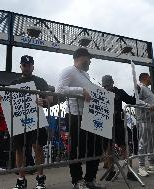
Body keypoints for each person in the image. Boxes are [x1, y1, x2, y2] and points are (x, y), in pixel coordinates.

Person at [56, 48, 105, 189]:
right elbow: (59, 90)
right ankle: (77, 181)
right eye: (89, 58)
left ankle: (90, 179)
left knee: (95, 148)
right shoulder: (68, 71)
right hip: (74, 115)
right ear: (82, 57)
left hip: (89, 116)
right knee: (77, 149)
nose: (90, 62)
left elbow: (89, 93)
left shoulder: (86, 75)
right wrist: (80, 91)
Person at [12, 55, 53, 189]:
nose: (27, 67)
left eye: (29, 65)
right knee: (19, 150)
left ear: (33, 66)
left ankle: (40, 178)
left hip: (36, 119)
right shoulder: (14, 83)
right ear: (20, 66)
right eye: (24, 65)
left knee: (38, 147)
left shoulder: (40, 81)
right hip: (19, 121)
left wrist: (45, 101)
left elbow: (50, 99)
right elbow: (6, 100)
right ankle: (21, 180)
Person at [101, 75, 136, 181]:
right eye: (104, 86)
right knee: (108, 148)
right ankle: (111, 171)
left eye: (108, 85)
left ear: (112, 83)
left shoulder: (120, 92)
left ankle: (130, 171)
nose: (106, 87)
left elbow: (132, 101)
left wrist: (137, 93)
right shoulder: (101, 93)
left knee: (124, 146)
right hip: (106, 124)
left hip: (119, 124)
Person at [136, 73, 154, 177]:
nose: (151, 79)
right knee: (143, 144)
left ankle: (152, 165)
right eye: (149, 77)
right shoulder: (139, 87)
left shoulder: (148, 89)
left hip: (153, 120)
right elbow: (136, 100)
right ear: (144, 78)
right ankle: (141, 167)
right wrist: (148, 106)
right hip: (144, 120)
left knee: (153, 144)